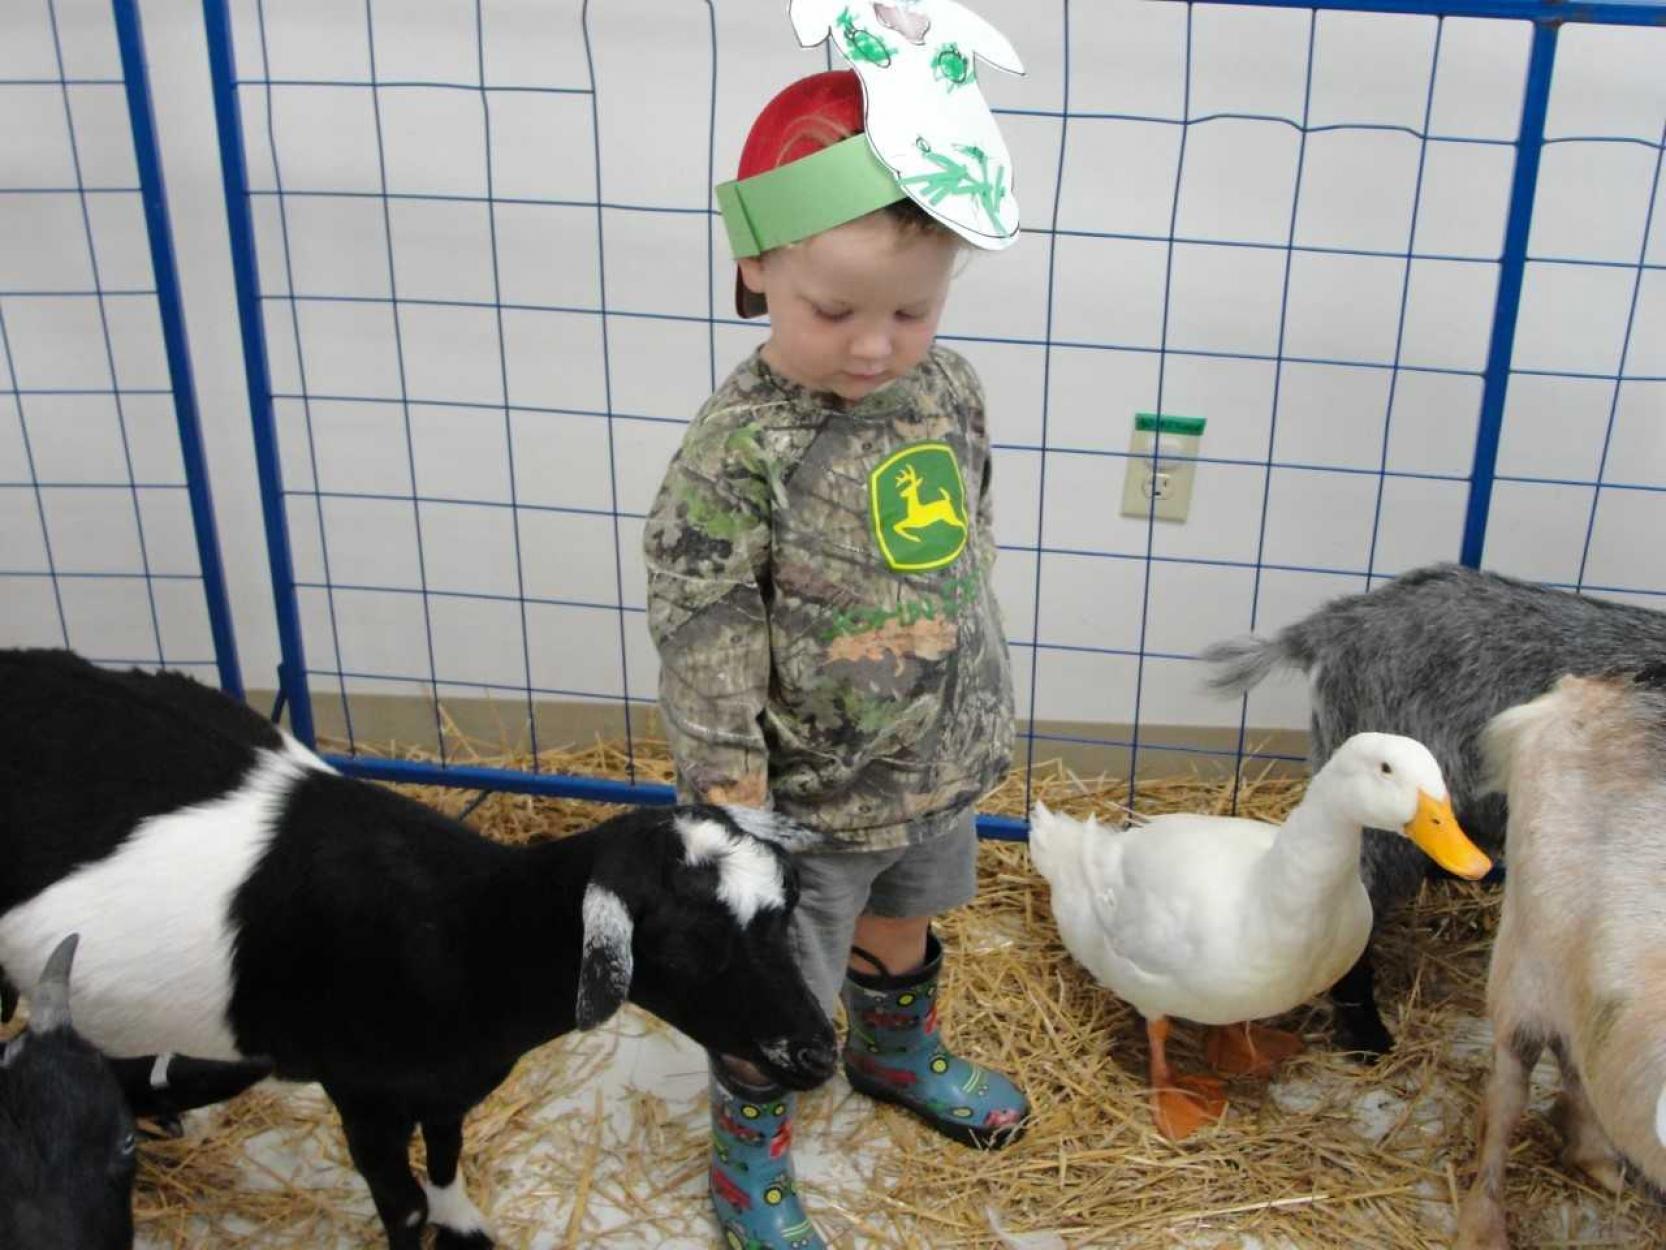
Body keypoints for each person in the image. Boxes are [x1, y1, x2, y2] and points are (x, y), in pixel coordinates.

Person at [644, 67, 1027, 1250]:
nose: (874, 347)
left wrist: (964, 690)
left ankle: (896, 1053)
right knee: (776, 986)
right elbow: (704, 624)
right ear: (757, 263)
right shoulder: (736, 450)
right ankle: (748, 1155)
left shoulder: (945, 388)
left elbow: (967, 535)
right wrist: (730, 793)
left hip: (933, 765)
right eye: (833, 311)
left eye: (911, 312)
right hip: (804, 800)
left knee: (908, 920)